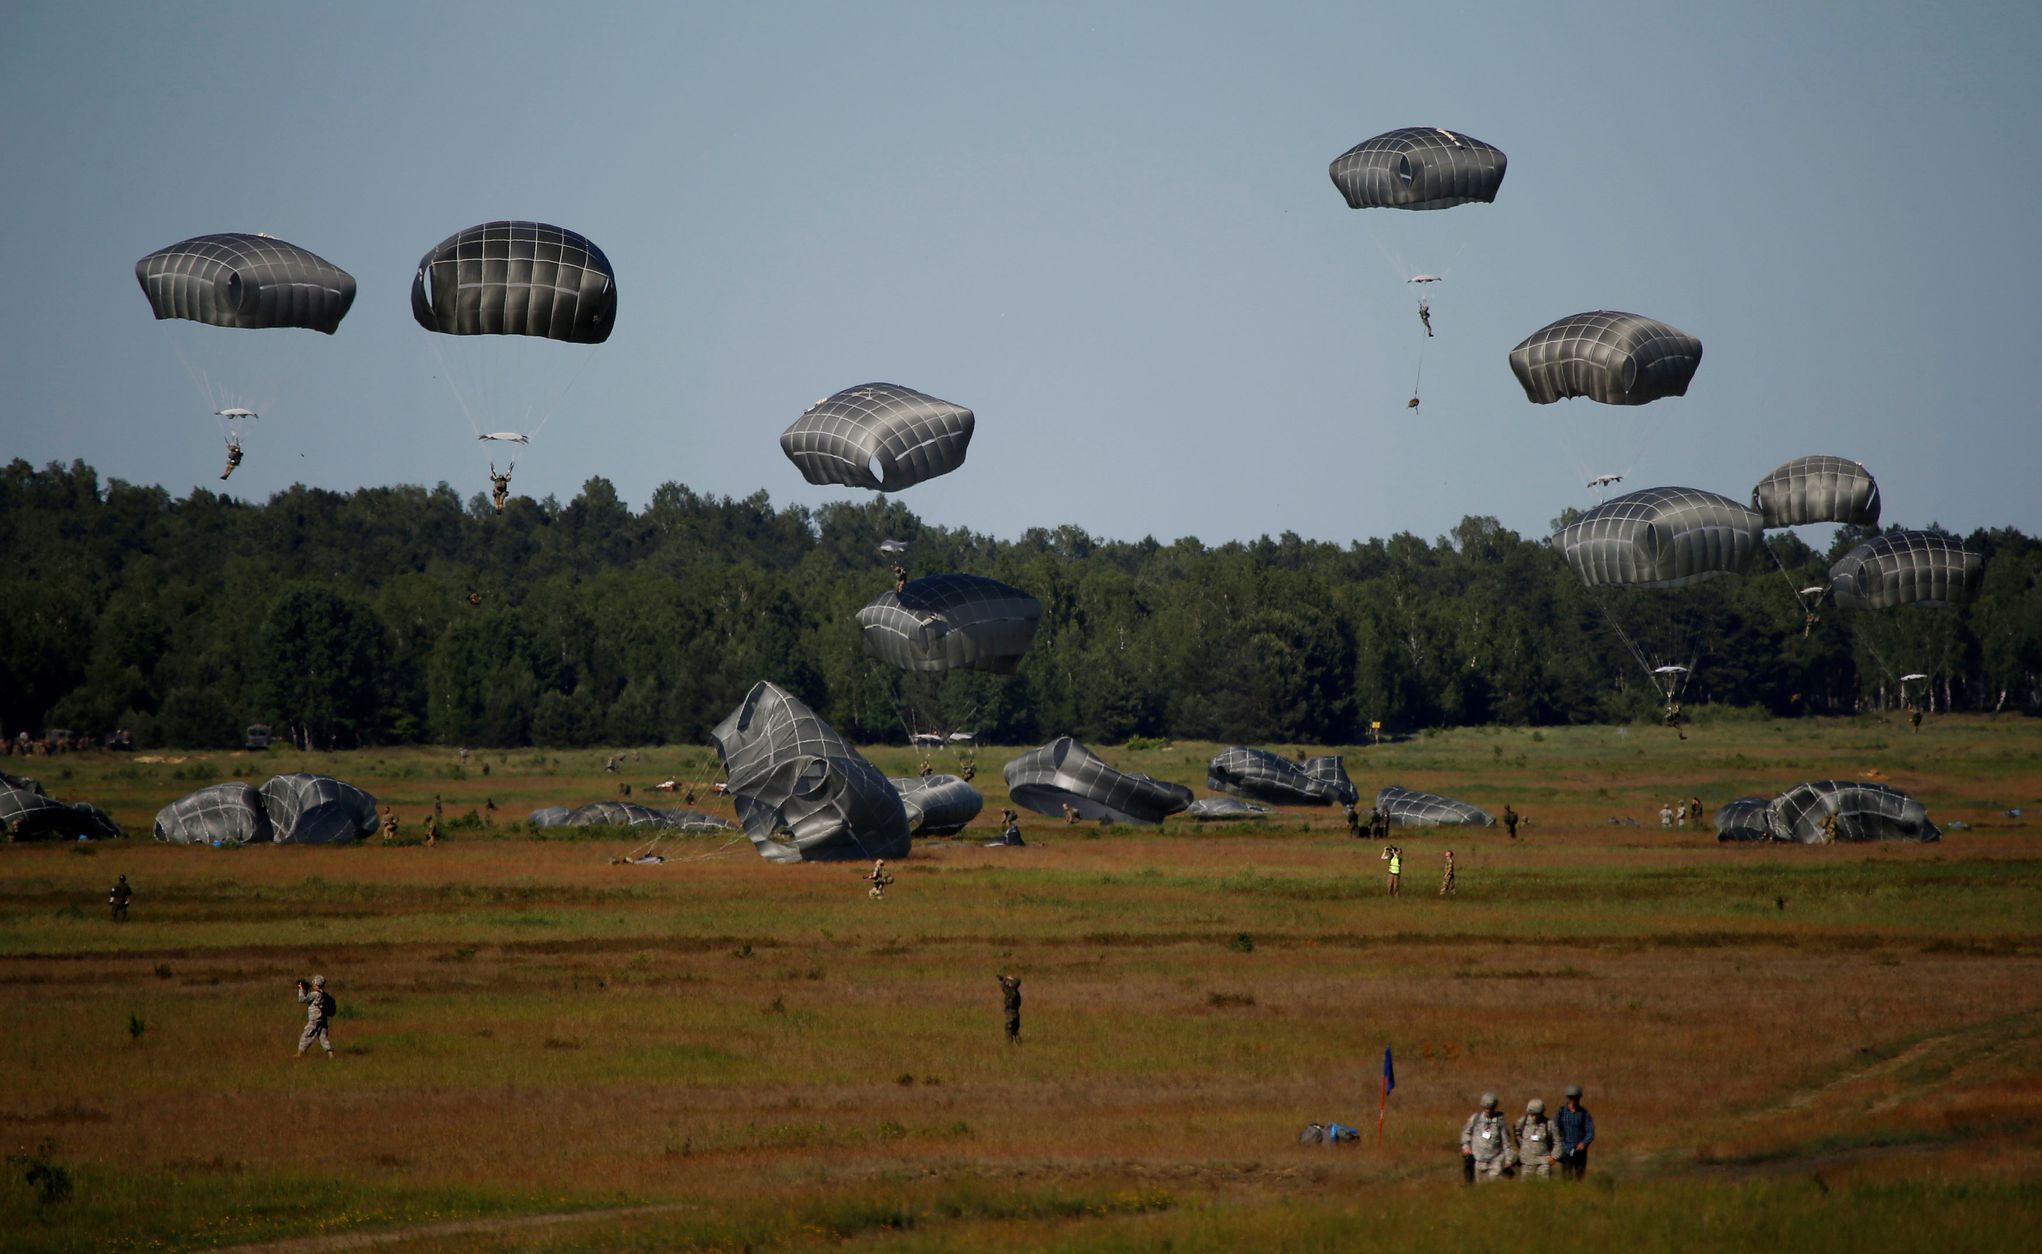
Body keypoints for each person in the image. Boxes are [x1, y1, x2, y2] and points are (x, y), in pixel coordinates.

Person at [1461, 1094, 1516, 1182]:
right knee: (1479, 1189)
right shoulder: (1475, 1118)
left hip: (1495, 1161)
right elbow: (1466, 1132)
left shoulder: (1500, 1122)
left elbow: (1507, 1143)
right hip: (1478, 1161)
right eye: (1486, 1108)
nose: (1488, 1111)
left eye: (1491, 1108)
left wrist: (1508, 1160)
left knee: (1494, 1186)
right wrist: (1466, 1147)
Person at [1556, 1085, 1595, 1179]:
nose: (1573, 1100)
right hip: (1565, 1150)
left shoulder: (1584, 1113)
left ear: (1579, 1098)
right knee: (1566, 1177)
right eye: (1571, 1098)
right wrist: (1559, 1144)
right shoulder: (1561, 1112)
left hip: (1580, 1151)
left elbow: (1590, 1131)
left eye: (1575, 1098)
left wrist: (1584, 1143)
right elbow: (1555, 1129)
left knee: (1579, 1176)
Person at [1516, 1099, 1559, 1179]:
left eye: (1537, 1115)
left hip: (1543, 1162)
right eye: (1532, 1115)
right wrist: (1524, 1147)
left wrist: (1554, 1156)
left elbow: (1558, 1141)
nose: (1534, 1117)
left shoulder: (1549, 1124)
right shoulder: (1522, 1122)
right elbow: (1517, 1134)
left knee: (1542, 1187)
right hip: (1526, 1162)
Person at [295, 975, 335, 1059]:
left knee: (306, 1035)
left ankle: (299, 1054)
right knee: (322, 1037)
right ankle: (331, 1054)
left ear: (316, 983)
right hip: (322, 1018)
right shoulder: (323, 994)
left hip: (315, 1018)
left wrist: (300, 989)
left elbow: (302, 999)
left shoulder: (315, 994)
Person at [997, 973, 1023, 1043]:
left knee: (1008, 1031)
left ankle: (1009, 1047)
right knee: (1015, 1032)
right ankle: (1019, 1045)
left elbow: (1004, 987)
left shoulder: (1011, 992)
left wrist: (1005, 979)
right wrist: (1005, 979)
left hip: (1010, 1014)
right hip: (1016, 1014)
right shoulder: (1017, 993)